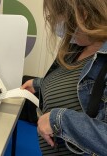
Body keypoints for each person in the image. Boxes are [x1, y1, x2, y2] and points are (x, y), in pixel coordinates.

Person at [21, 0, 107, 155]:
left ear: (83, 14)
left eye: (56, 16)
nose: (53, 22)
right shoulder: (78, 45)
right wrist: (40, 84)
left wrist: (59, 120)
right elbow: (76, 81)